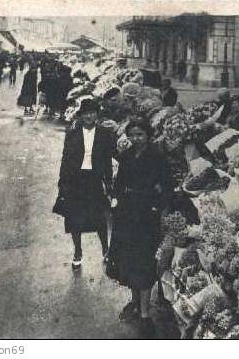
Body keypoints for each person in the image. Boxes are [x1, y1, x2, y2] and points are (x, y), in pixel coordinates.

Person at [107, 118, 173, 338]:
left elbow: (168, 187)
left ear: (148, 135)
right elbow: (119, 183)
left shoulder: (157, 157)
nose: (135, 139)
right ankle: (135, 301)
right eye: (132, 135)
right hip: (126, 213)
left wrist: (158, 207)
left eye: (140, 135)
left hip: (146, 215)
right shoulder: (125, 156)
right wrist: (116, 198)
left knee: (144, 261)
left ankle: (145, 313)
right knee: (127, 258)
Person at [57, 99, 115, 271]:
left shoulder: (105, 133)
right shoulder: (72, 132)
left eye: (92, 112)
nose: (89, 116)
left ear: (97, 114)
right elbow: (65, 158)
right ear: (81, 115)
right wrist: (62, 181)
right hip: (75, 180)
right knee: (75, 218)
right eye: (86, 113)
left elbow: (107, 160)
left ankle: (106, 249)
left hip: (94, 180)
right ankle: (77, 252)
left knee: (99, 218)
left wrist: (109, 181)